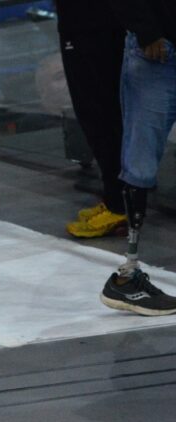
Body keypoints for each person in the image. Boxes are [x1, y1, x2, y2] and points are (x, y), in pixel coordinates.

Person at [98, 0, 176, 315]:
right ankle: (128, 274)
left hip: (158, 47)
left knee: (139, 162)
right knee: (139, 165)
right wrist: (146, 30)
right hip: (158, 51)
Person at [56, 0, 128, 238]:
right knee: (102, 113)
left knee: (99, 114)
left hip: (90, 25)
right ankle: (117, 198)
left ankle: (119, 205)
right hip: (91, 23)